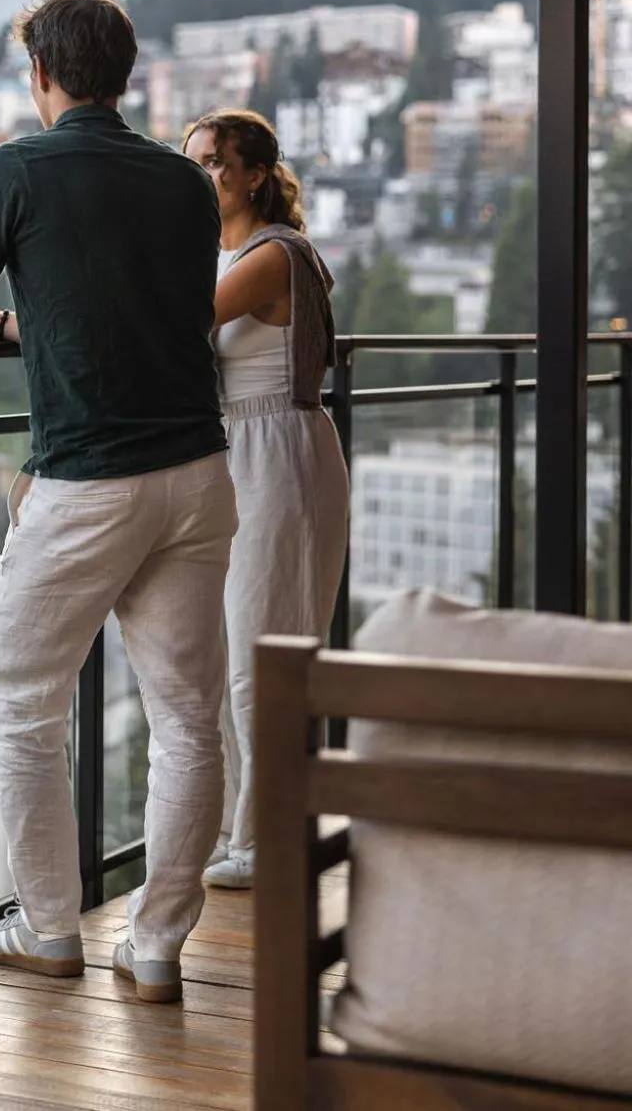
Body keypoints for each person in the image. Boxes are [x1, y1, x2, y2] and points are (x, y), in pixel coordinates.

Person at [0, 0, 237, 1003]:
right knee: (188, 719)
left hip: (89, 477)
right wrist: (23, 325)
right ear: (124, 74)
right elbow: (130, 312)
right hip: (197, 470)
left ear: (40, 73)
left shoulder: (15, 168)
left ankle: (50, 927)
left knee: (18, 701)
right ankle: (157, 946)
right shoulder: (184, 182)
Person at [183, 109, 349, 890]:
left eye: (215, 162)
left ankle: (270, 835)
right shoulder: (218, 256)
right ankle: (240, 827)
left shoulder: (275, 255)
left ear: (253, 174)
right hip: (236, 452)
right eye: (191, 163)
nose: (203, 175)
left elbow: (166, 322)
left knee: (265, 650)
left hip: (278, 450)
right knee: (224, 655)